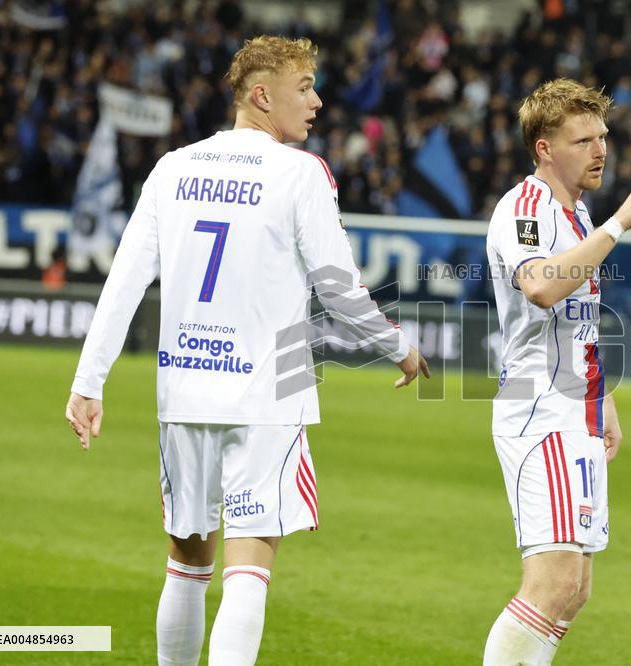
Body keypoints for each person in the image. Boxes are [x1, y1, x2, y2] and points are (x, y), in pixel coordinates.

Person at [64, 36, 428, 666]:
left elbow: (123, 280)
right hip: (266, 394)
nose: (316, 101)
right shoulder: (301, 173)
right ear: (262, 95)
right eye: (304, 87)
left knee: (186, 564)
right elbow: (338, 289)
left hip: (184, 392)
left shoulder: (173, 167)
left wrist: (88, 381)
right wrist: (397, 348)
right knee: (249, 568)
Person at [483, 78, 631, 665]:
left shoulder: (577, 212)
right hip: (540, 412)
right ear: (543, 147)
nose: (600, 150)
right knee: (553, 584)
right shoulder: (526, 207)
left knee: (574, 590)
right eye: (582, 139)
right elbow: (540, 286)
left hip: (576, 410)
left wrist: (602, 398)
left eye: (602, 136)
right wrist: (620, 224)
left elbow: (577, 315)